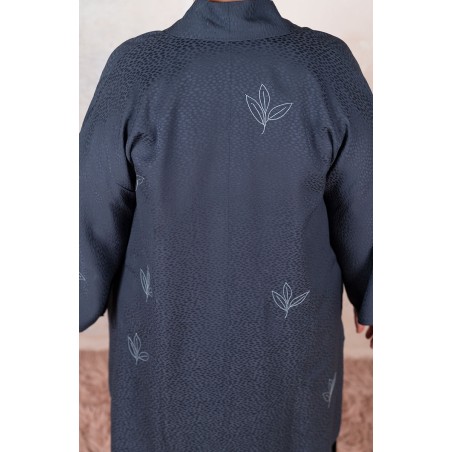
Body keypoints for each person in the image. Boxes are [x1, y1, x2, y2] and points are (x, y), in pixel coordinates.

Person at [79, 0, 373, 450]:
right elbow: (369, 192)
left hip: (166, 343)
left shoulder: (137, 66)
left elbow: (90, 203)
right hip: (288, 348)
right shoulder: (325, 63)